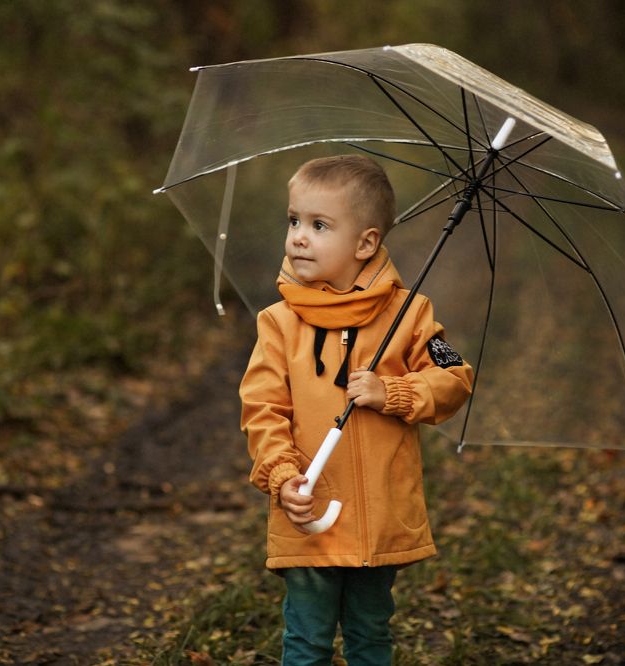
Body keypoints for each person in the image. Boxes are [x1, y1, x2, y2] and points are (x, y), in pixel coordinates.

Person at [240, 154, 473, 664]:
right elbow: (262, 410)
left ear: (365, 243)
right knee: (307, 640)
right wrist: (282, 476)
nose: (299, 237)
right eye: (294, 221)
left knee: (370, 635)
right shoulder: (279, 323)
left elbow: (455, 377)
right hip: (309, 513)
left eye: (319, 225)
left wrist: (393, 393)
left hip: (378, 518)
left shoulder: (410, 315)